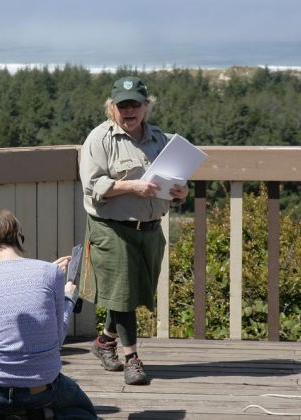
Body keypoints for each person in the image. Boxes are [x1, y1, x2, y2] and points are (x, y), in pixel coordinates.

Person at [78, 76, 189, 386]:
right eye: (122, 105)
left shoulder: (160, 139)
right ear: (111, 108)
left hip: (150, 230)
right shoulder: (99, 139)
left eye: (135, 104)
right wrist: (132, 187)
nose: (129, 110)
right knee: (124, 294)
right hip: (112, 229)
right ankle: (132, 358)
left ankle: (104, 341)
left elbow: (175, 181)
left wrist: (181, 193)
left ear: (146, 106)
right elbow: (92, 185)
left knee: (129, 293)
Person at [0, 209, 97, 419]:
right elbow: (57, 337)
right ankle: (43, 414)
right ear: (18, 236)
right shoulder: (50, 273)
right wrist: (68, 298)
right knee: (85, 411)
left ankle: (3, 412)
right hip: (42, 389)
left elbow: (8, 291)